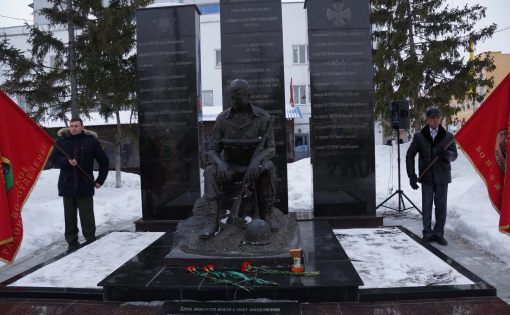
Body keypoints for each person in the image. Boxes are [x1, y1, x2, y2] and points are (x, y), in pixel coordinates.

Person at [200, 79, 278, 239]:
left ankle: (267, 215)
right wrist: (220, 164)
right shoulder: (222, 119)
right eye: (232, 98)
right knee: (209, 171)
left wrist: (257, 162)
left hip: (254, 167)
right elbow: (212, 150)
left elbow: (271, 148)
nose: (235, 101)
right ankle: (211, 221)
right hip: (229, 167)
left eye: (239, 98)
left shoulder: (263, 118)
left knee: (269, 167)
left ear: (248, 96)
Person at [51, 117, 109, 252]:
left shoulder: (91, 142)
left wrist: (100, 180)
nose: (73, 128)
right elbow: (53, 159)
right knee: (69, 217)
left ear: (82, 127)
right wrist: (66, 162)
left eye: (76, 126)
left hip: (85, 185)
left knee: (87, 216)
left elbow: (104, 161)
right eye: (71, 126)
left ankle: (90, 241)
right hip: (67, 185)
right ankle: (72, 244)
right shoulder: (61, 142)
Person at [406, 106, 457, 246]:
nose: (434, 120)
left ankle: (439, 233)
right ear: (427, 119)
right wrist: (411, 176)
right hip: (426, 176)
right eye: (431, 118)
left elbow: (454, 156)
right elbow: (410, 155)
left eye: (437, 117)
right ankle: (427, 232)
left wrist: (446, 155)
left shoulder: (448, 136)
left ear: (440, 118)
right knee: (427, 205)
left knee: (441, 206)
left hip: (442, 177)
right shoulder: (419, 136)